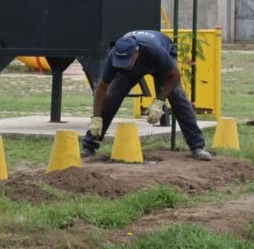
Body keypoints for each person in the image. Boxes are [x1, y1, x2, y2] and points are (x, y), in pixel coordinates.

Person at [81, 30, 212, 161]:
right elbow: (102, 86)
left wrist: (159, 101)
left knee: (177, 96)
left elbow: (175, 75)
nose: (124, 65)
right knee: (111, 98)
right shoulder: (114, 56)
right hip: (140, 62)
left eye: (126, 61)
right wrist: (96, 117)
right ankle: (89, 146)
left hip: (159, 60)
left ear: (136, 53)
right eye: (120, 61)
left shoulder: (155, 51)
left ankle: (197, 146)